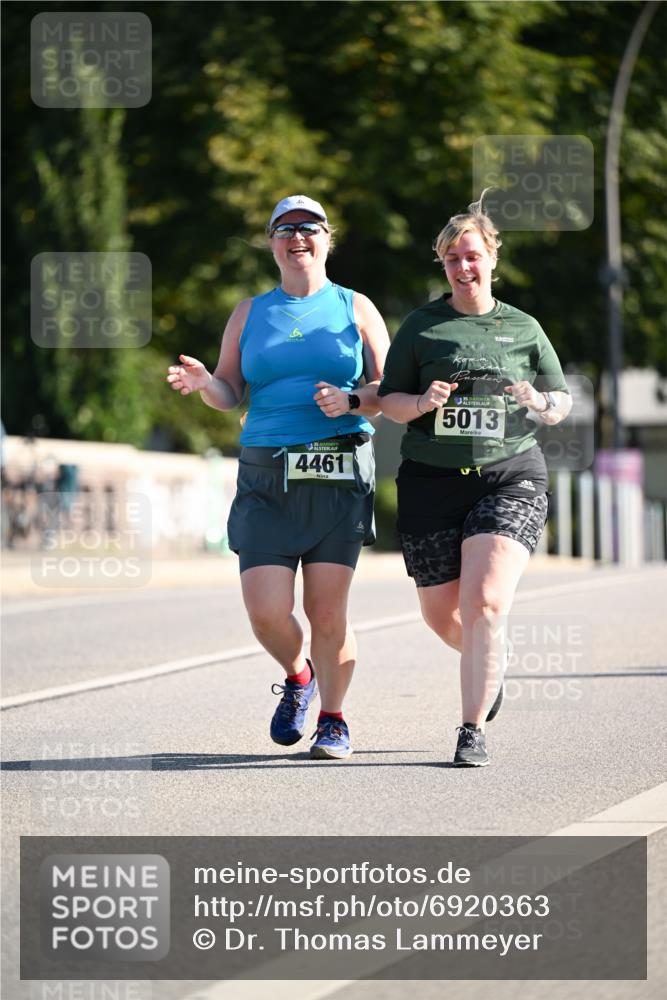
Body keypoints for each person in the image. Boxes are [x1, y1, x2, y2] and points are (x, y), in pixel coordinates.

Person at [167, 195, 389, 760]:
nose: (297, 238)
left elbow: (392, 391)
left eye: (309, 228)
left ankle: (334, 721)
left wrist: (353, 399)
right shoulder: (249, 313)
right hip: (266, 473)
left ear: (326, 239)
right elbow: (229, 391)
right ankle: (299, 676)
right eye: (284, 230)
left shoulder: (355, 307)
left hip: (338, 469)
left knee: (327, 611)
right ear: (271, 244)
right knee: (264, 609)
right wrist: (201, 385)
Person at [378, 194, 572, 767]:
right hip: (430, 482)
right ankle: (490, 665)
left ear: (492, 258)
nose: (464, 268)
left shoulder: (524, 327)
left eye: (473, 256)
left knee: (484, 600)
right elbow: (387, 401)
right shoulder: (421, 326)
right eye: (453, 259)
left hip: (508, 475)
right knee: (442, 616)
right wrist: (421, 400)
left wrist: (540, 401)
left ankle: (470, 729)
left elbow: (560, 399)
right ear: (443, 266)